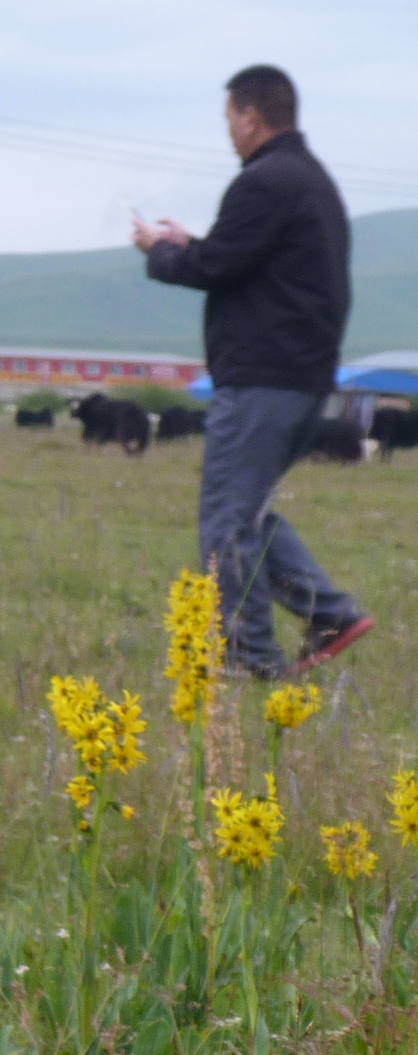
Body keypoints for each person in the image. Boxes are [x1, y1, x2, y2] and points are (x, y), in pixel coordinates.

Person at [135, 63, 374, 679]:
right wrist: (194, 244)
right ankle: (330, 615)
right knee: (250, 514)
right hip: (302, 376)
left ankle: (251, 659)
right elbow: (243, 257)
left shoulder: (265, 182)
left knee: (227, 522)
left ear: (252, 116)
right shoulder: (310, 181)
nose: (229, 133)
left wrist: (163, 252)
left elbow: (218, 266)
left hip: (263, 379)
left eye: (230, 120)